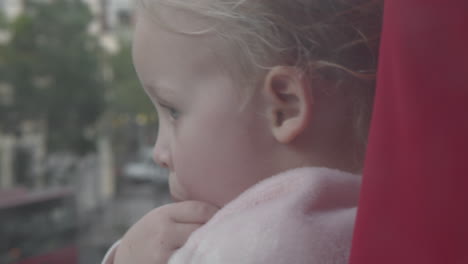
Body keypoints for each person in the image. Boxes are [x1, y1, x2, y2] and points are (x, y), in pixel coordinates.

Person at [103, 0, 382, 263]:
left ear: (283, 107)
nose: (159, 154)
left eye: (173, 111)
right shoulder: (391, 219)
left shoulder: (236, 250)